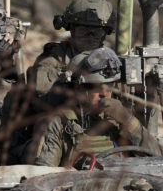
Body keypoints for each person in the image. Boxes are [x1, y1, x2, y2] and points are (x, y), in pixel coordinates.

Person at [33, 47, 163, 167]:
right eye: (97, 88)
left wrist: (127, 120)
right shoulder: (59, 123)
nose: (105, 94)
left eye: (109, 87)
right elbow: (43, 176)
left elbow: (156, 160)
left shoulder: (119, 118)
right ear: (79, 88)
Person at [28, 0, 115, 96]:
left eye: (97, 31)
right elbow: (45, 97)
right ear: (72, 30)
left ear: (105, 34)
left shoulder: (111, 62)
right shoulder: (53, 59)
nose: (90, 37)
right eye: (83, 30)